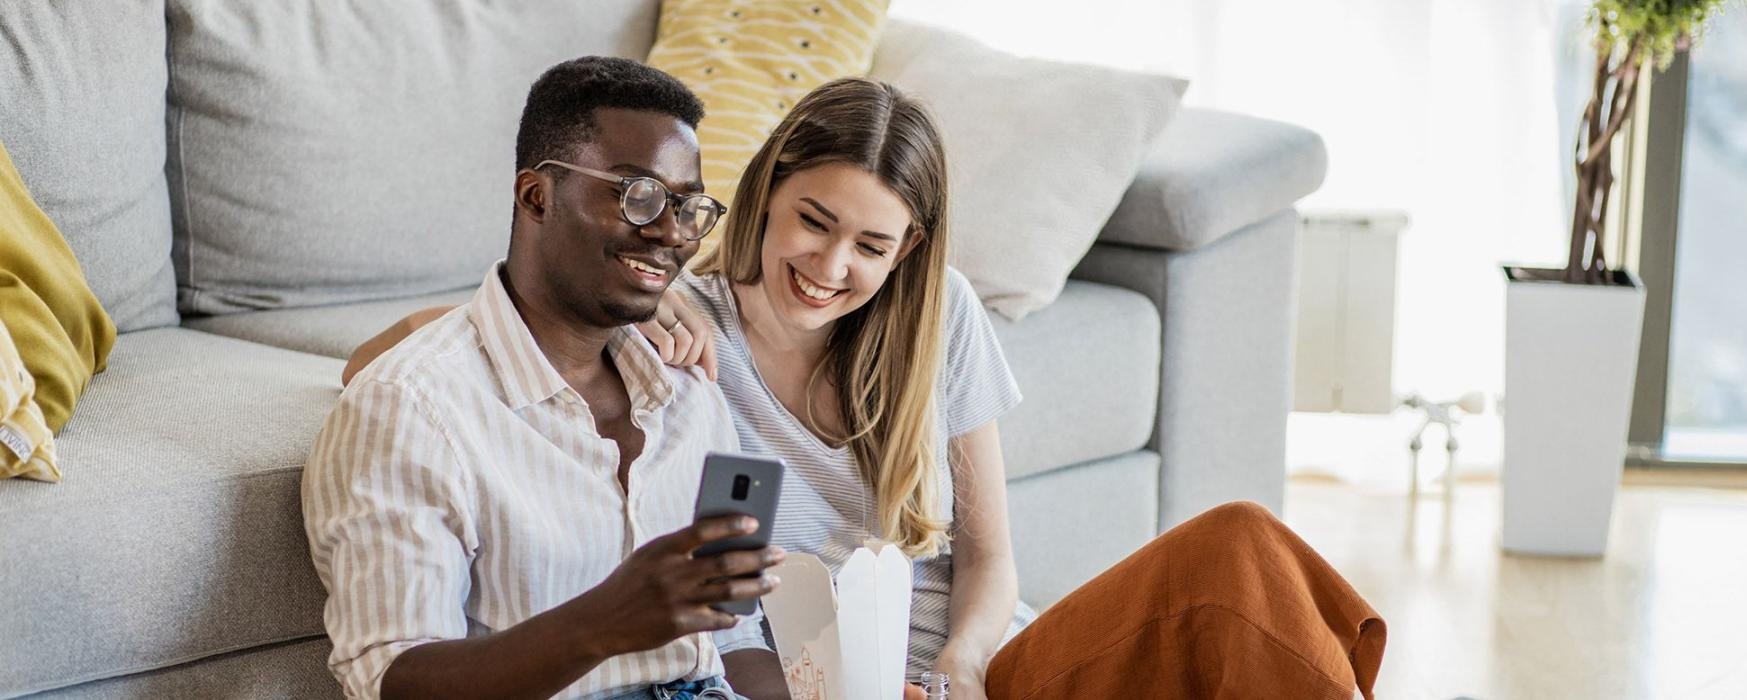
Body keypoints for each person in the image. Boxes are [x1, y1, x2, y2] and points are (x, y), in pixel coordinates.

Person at [345, 75, 1387, 699]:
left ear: (909, 251)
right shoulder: (682, 331)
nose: (832, 265)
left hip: (984, 674)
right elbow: (394, 356)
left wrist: (968, 671)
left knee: (1240, 555)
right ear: (769, 191)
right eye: (814, 220)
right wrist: (655, 303)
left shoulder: (946, 320)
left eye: (871, 245)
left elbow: (989, 562)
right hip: (819, 680)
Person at [304, 56, 813, 700]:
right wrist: (603, 622)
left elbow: (732, 643)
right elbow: (391, 677)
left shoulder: (689, 393)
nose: (669, 232)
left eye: (686, 206)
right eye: (638, 195)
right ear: (536, 196)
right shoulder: (410, 407)